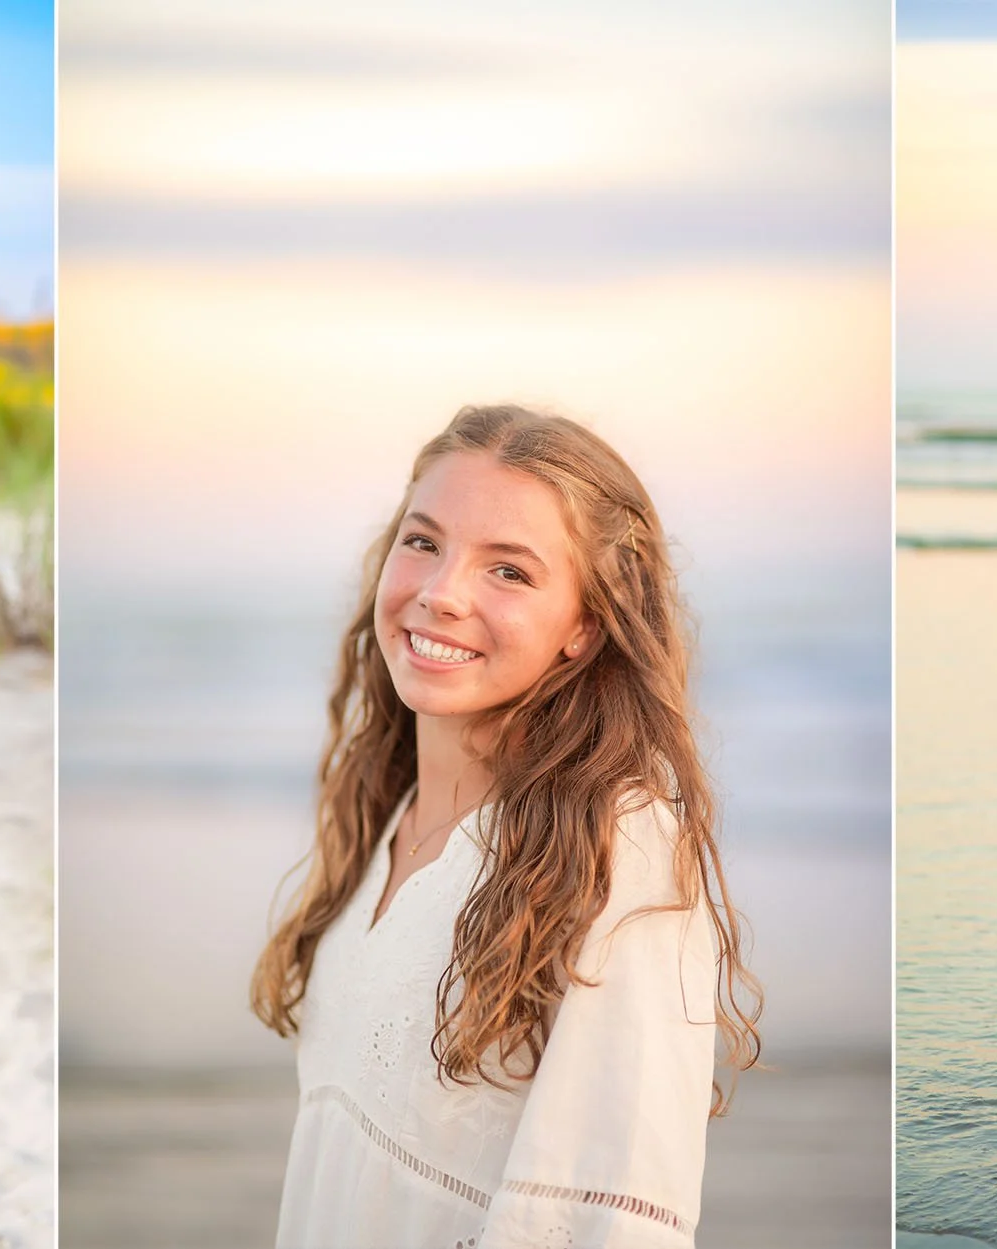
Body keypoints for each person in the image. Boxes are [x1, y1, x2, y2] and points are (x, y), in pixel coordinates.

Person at [251, 405, 761, 1246]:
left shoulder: (622, 846)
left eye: (511, 572)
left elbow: (606, 1215)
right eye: (423, 542)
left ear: (586, 625)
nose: (441, 592)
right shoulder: (387, 808)